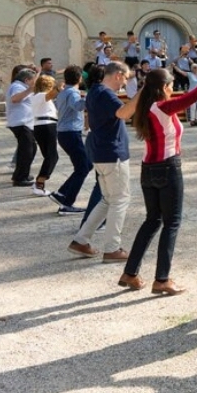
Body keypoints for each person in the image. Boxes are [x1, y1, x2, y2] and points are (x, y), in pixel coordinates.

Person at [118, 61, 197, 294]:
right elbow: (196, 93)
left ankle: (130, 273)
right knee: (171, 223)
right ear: (164, 87)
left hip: (148, 168)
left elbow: (122, 112)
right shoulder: (163, 107)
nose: (172, 88)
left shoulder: (145, 107)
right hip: (167, 167)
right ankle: (162, 278)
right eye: (170, 85)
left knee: (152, 221)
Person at [68, 62, 141, 263]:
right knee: (120, 200)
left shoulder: (95, 91)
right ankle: (112, 248)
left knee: (108, 199)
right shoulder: (106, 94)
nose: (125, 82)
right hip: (111, 153)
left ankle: (81, 240)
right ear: (117, 75)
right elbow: (124, 113)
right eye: (125, 78)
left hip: (101, 152)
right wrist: (141, 94)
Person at [50, 65, 102, 216]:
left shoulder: (63, 92)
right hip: (71, 133)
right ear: (79, 78)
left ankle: (62, 193)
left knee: (85, 165)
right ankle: (67, 203)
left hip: (66, 133)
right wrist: (90, 98)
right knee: (84, 167)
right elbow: (77, 106)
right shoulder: (72, 93)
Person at [6, 68, 38, 187]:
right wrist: (30, 90)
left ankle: (21, 174)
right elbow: (15, 99)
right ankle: (20, 178)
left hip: (24, 123)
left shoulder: (21, 86)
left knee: (30, 149)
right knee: (27, 151)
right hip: (20, 123)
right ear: (26, 80)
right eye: (32, 81)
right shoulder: (17, 86)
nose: (34, 83)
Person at [31, 75, 61, 196]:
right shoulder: (40, 96)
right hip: (46, 125)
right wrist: (59, 88)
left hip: (42, 126)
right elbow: (50, 95)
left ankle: (40, 181)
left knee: (49, 156)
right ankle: (40, 182)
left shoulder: (37, 97)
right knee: (52, 156)